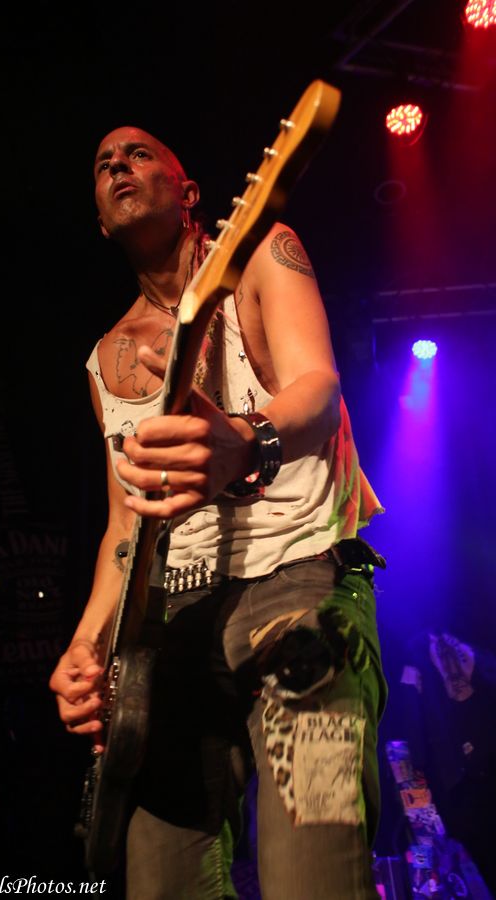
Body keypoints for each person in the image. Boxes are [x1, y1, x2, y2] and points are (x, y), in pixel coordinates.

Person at [49, 125, 387, 899]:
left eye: (138, 154)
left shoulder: (264, 252)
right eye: (102, 164)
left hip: (300, 593)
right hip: (174, 632)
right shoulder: (104, 359)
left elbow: (317, 386)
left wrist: (245, 441)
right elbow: (125, 525)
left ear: (189, 192)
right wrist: (87, 644)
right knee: (161, 885)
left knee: (314, 875)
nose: (117, 164)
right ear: (99, 221)